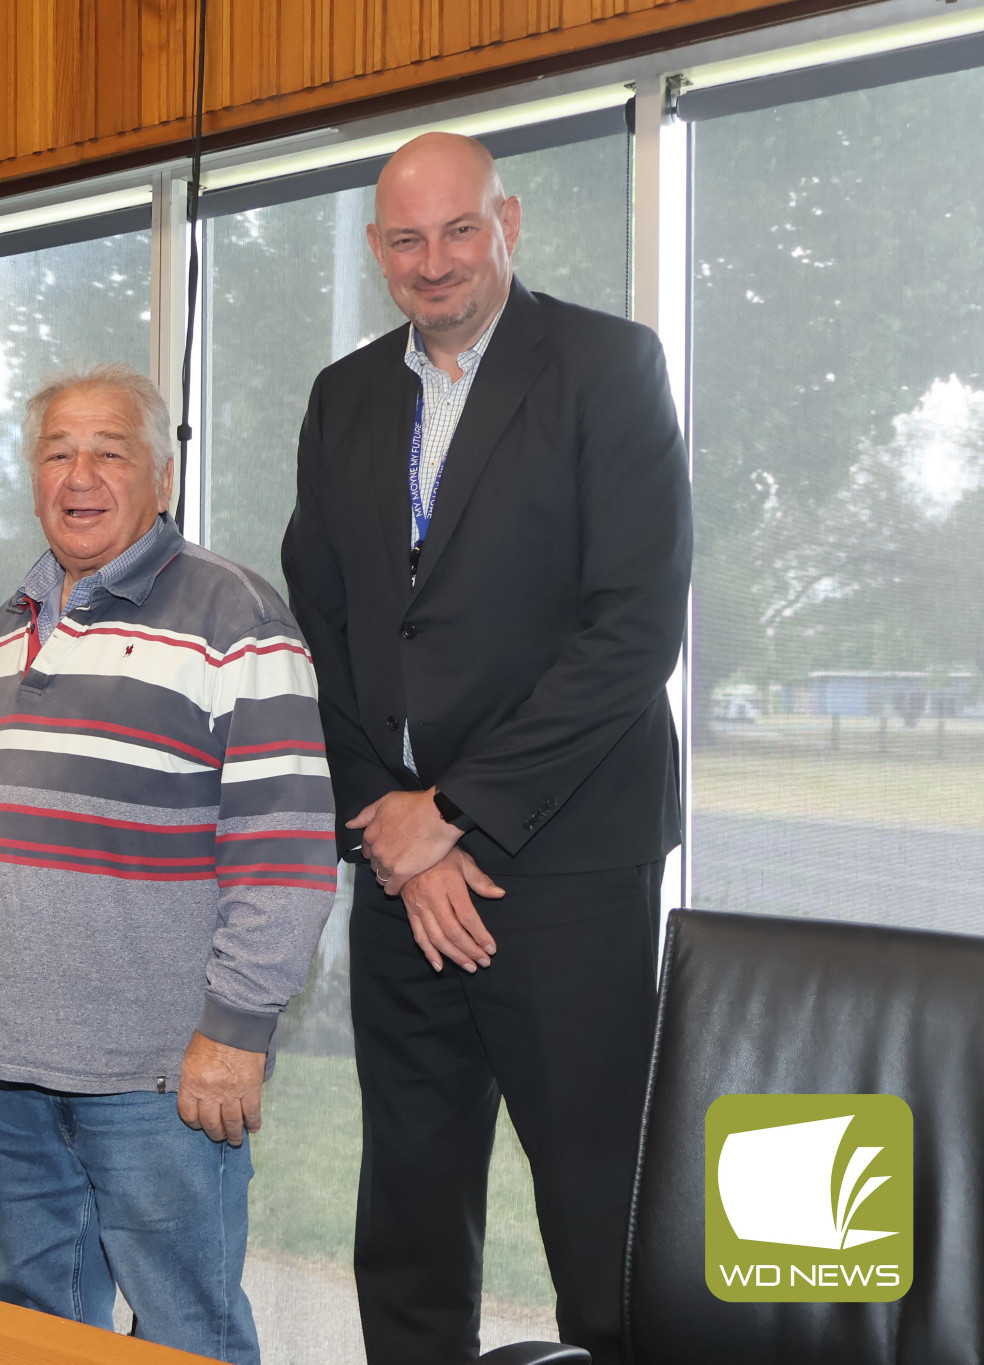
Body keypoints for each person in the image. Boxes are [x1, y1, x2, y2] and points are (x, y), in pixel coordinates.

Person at [281, 133, 692, 1362]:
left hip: (559, 864)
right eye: (404, 240)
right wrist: (395, 828)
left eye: (458, 229)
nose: (434, 261)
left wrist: (449, 811)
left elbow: (631, 628)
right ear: (374, 252)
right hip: (398, 865)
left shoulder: (606, 366)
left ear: (505, 219)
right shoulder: (342, 396)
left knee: (596, 1206)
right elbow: (328, 627)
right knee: (406, 1199)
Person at [0, 363, 336, 1365]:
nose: (79, 473)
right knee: (33, 1328)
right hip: (18, 1072)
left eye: (108, 451)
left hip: (161, 1078)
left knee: (182, 1334)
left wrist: (234, 1033)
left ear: (159, 478)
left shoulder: (235, 616)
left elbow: (287, 851)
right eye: (56, 452)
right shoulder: (4, 630)